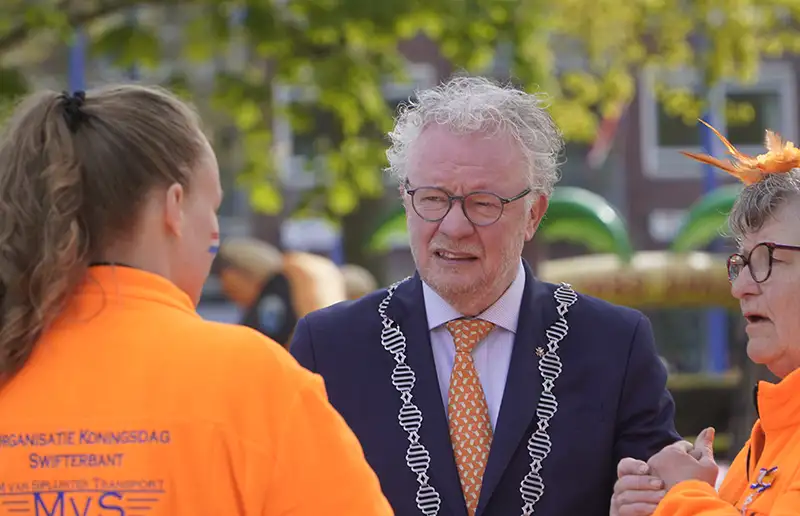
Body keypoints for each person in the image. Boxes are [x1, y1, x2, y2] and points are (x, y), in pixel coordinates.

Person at [289, 75, 680, 516]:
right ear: (405, 200)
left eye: (483, 203)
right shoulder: (329, 349)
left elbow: (661, 497)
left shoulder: (615, 346)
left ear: (533, 214)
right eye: (433, 199)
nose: (454, 226)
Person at [0, 85, 392, 515]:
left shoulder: (14, 358)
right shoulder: (253, 382)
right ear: (174, 207)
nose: (214, 234)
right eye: (214, 208)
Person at [612, 121, 800, 515]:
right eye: (742, 263)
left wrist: (683, 494)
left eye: (767, 260)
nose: (740, 287)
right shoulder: (767, 436)